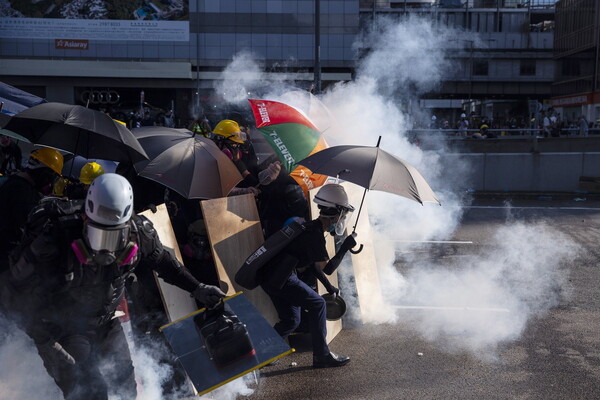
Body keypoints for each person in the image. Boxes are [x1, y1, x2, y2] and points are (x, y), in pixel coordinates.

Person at [2, 173, 225, 400]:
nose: (106, 251)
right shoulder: (53, 241)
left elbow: (165, 263)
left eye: (115, 237)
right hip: (62, 328)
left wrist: (197, 287)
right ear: (85, 219)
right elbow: (9, 295)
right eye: (99, 237)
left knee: (126, 386)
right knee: (88, 393)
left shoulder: (139, 233)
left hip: (106, 321)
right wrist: (44, 341)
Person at [260, 183, 357, 368]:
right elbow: (327, 268)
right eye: (342, 214)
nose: (341, 218)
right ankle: (322, 356)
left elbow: (314, 266)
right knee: (318, 304)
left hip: (273, 277)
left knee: (291, 320)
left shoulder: (309, 227)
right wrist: (344, 247)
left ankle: (266, 355)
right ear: (335, 213)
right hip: (282, 279)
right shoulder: (314, 234)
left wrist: (328, 287)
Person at [0, 147, 63, 273]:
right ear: (44, 174)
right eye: (51, 178)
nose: (50, 184)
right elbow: (32, 224)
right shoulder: (23, 192)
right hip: (4, 255)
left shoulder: (15, 183)